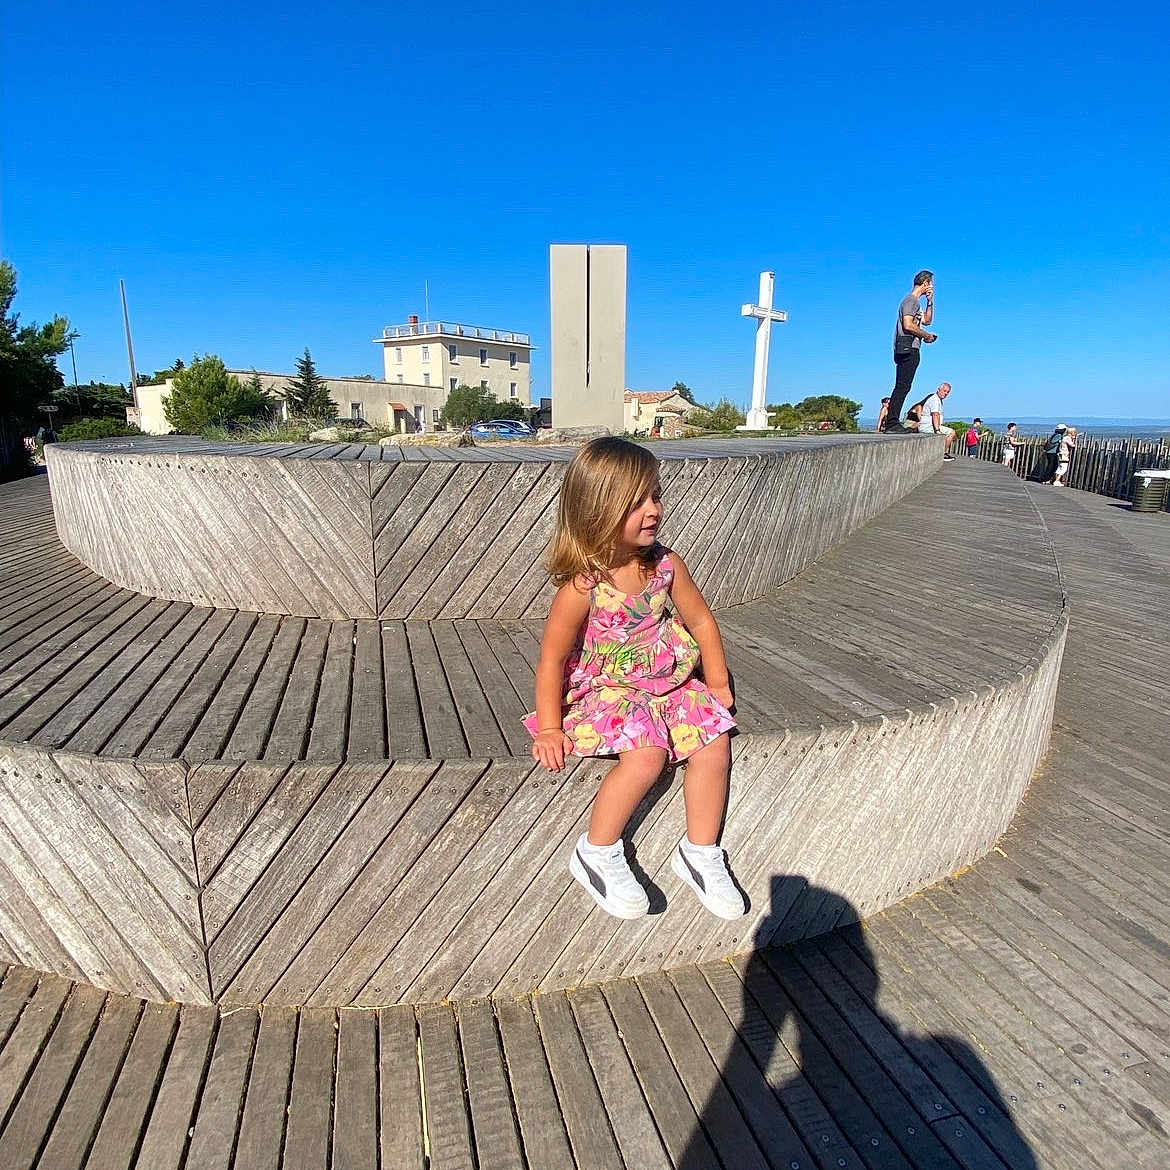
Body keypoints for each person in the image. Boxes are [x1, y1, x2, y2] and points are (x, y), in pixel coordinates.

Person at [524, 437, 744, 921]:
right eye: (636, 502)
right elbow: (552, 660)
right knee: (646, 755)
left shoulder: (666, 565)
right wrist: (549, 726)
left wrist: (718, 679)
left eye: (656, 496)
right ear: (598, 510)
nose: (653, 511)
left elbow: (702, 621)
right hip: (610, 690)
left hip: (669, 683)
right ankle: (597, 850)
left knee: (714, 742)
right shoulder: (583, 587)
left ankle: (700, 852)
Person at [883, 270, 938, 432]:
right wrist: (926, 336)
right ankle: (892, 423)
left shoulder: (916, 304)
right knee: (902, 386)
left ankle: (892, 422)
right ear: (925, 283)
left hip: (909, 348)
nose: (932, 287)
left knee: (904, 386)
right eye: (931, 284)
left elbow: (926, 321)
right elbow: (908, 325)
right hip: (908, 348)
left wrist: (930, 301)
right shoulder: (910, 301)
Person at [917, 382, 956, 459]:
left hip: (929, 426)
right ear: (938, 390)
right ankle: (943, 454)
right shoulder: (935, 400)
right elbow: (935, 414)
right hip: (927, 426)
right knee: (952, 432)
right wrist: (937, 430)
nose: (946, 393)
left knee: (949, 433)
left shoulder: (938, 400)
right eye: (944, 391)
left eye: (947, 392)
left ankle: (941, 452)